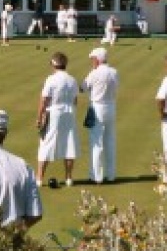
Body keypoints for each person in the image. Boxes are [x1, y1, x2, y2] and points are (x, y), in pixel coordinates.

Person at [36, 51, 79, 186]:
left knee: (46, 143)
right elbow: (75, 100)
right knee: (69, 143)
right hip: (69, 113)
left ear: (53, 65)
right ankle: (69, 178)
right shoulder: (72, 80)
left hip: (53, 112)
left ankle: (39, 178)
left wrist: (39, 117)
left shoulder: (51, 79)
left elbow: (44, 100)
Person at [82, 47, 119, 184]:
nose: (92, 61)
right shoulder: (114, 72)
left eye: (93, 59)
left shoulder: (94, 73)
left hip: (98, 107)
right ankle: (111, 175)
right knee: (110, 141)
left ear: (97, 60)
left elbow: (83, 86)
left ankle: (96, 176)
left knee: (96, 142)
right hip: (111, 106)